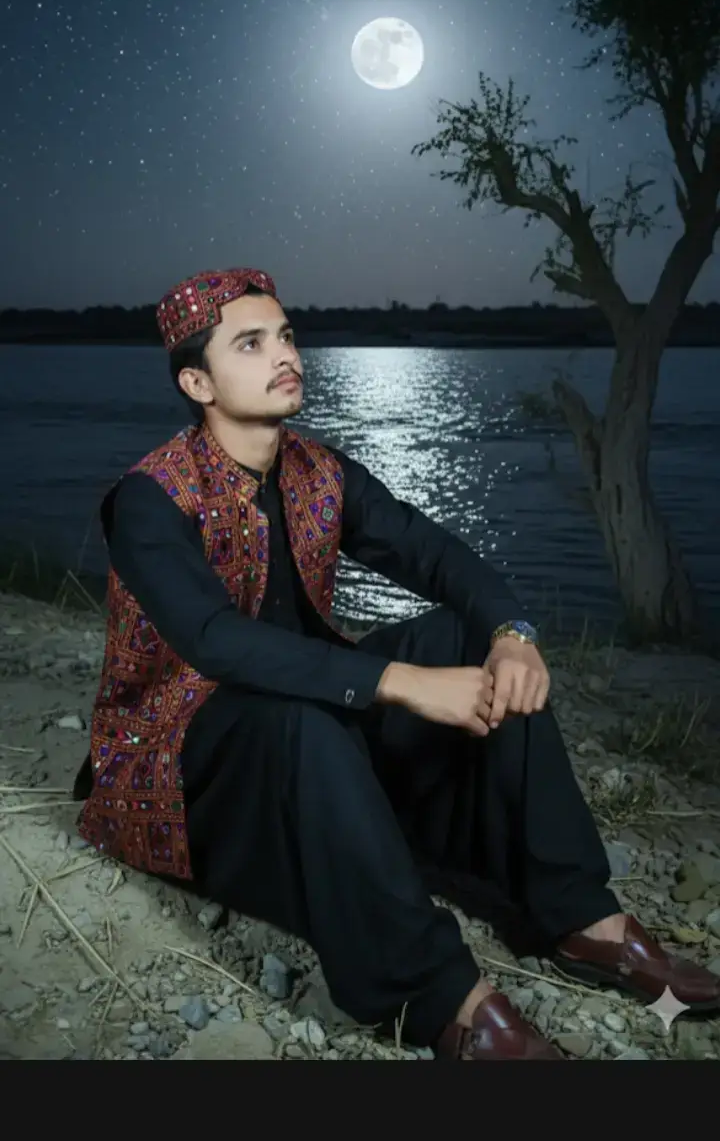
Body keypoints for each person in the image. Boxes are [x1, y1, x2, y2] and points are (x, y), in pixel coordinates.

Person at [74, 267, 720, 1062]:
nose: (285, 355)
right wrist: (400, 684)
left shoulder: (318, 471)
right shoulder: (150, 498)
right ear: (197, 381)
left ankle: (580, 918)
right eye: (252, 343)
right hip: (183, 762)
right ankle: (440, 995)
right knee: (304, 712)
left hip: (303, 733)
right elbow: (214, 640)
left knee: (459, 637)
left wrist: (512, 633)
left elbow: (436, 554)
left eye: (286, 335)